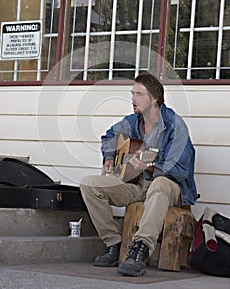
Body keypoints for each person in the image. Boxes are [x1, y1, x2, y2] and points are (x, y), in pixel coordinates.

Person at [80, 72, 198, 277]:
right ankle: (113, 245)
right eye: (132, 93)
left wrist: (149, 166)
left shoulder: (176, 127)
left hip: (170, 188)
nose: (133, 99)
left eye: (139, 94)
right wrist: (109, 157)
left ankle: (140, 249)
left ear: (154, 99)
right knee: (89, 184)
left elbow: (180, 170)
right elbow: (109, 135)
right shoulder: (133, 121)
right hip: (138, 186)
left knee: (160, 184)